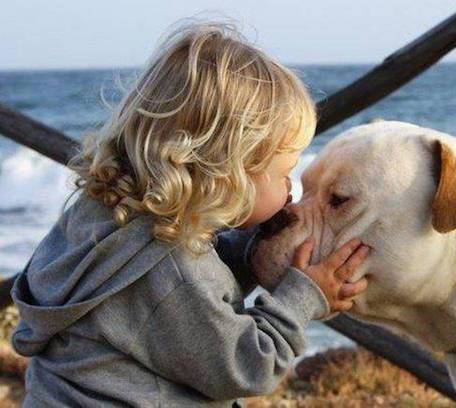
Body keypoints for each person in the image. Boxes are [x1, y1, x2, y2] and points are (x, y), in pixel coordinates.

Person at [10, 18, 370, 407]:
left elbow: (178, 298)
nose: (290, 189)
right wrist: (304, 296)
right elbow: (248, 365)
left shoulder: (102, 216)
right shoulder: (174, 268)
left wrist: (247, 252)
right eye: (284, 173)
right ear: (227, 171)